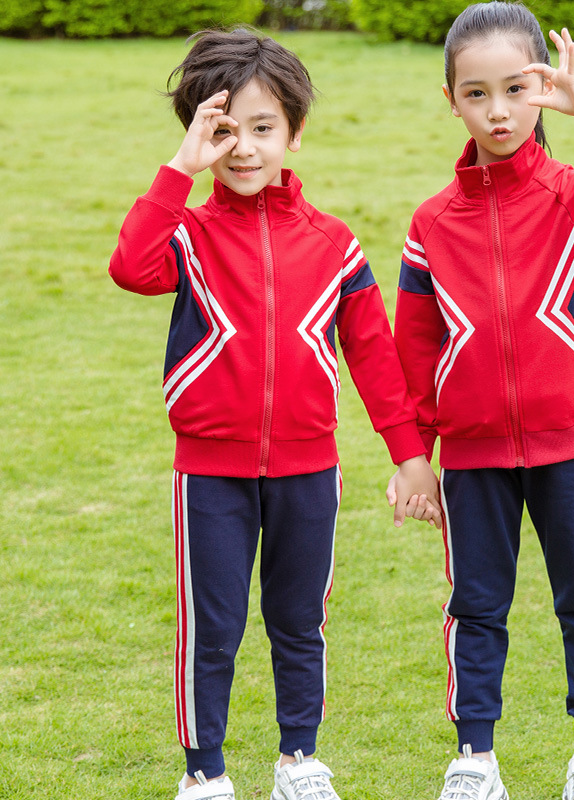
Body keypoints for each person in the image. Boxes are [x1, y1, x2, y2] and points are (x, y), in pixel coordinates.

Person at [109, 27, 441, 800]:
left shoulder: (335, 246)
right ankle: (205, 773)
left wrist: (409, 453)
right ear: (201, 133)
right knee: (213, 630)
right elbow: (130, 266)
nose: (247, 149)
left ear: (295, 132)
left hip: (308, 470)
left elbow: (375, 359)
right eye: (225, 132)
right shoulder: (187, 236)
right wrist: (179, 170)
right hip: (211, 476)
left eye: (264, 130)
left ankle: (300, 760)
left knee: (300, 623)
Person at [393, 3, 574, 799]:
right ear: (451, 98)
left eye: (517, 89)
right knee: (476, 605)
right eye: (476, 93)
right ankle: (474, 758)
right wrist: (412, 456)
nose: (498, 110)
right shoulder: (430, 225)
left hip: (572, 448)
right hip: (472, 458)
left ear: (543, 87)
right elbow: (412, 352)